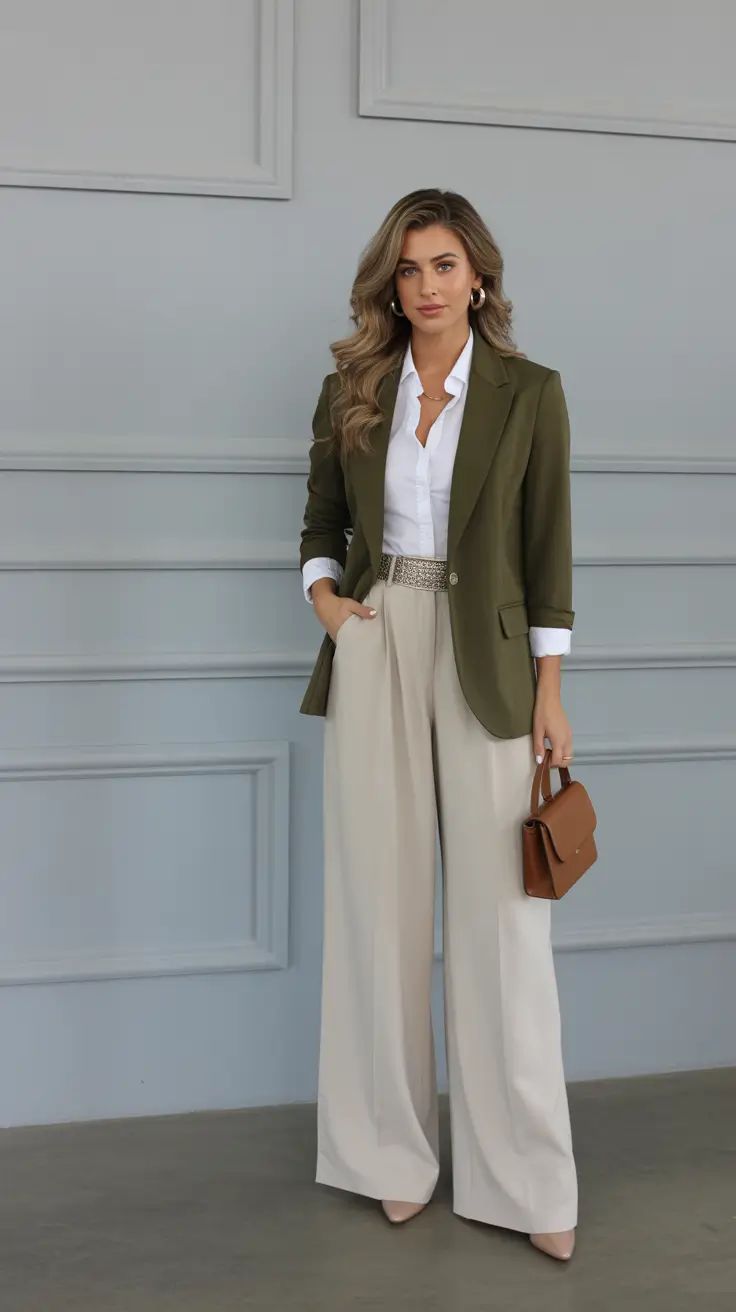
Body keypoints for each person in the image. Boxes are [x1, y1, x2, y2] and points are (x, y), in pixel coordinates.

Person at [298, 189, 578, 1262]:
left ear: (479, 277)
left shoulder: (528, 391)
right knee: (378, 905)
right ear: (391, 283)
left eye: (444, 266)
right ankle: (388, 1155)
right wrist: (329, 604)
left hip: (490, 661)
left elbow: (547, 546)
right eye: (408, 269)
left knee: (503, 922)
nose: (425, 287)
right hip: (378, 641)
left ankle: (526, 1178)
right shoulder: (352, 389)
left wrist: (551, 690)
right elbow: (322, 520)